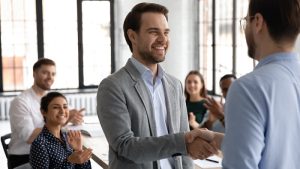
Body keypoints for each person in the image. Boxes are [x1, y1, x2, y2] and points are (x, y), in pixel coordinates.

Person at [97, 2, 218, 169]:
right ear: (133, 36)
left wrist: (186, 146)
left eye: (166, 32)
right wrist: (182, 142)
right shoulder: (112, 87)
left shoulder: (175, 85)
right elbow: (126, 146)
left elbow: (186, 150)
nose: (163, 39)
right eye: (154, 32)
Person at [200, 0, 300, 168]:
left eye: (246, 20)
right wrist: (223, 140)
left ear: (258, 22)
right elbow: (284, 147)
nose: (245, 27)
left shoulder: (248, 88)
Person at [8, 58, 85, 168]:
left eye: (53, 74)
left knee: (79, 159)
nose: (50, 77)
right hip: (25, 157)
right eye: (45, 73)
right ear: (34, 74)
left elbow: (65, 116)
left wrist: (74, 117)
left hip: (52, 152)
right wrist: (65, 120)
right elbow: (30, 137)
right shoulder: (20, 102)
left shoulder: (52, 98)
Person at [30, 92, 92, 169]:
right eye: (56, 107)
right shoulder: (39, 144)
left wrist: (79, 151)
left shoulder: (68, 138)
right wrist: (70, 161)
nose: (62, 111)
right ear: (43, 112)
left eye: (65, 107)